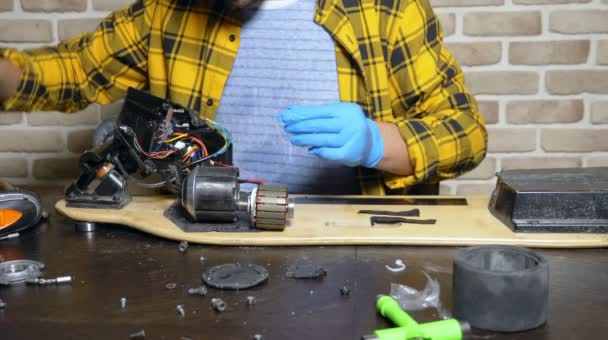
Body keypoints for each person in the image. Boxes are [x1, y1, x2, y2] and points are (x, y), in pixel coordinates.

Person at [0, 0, 487, 195]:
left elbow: (465, 132)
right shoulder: (168, 10)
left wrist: (376, 144)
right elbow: (69, 71)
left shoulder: (386, 10)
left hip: (343, 243)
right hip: (200, 236)